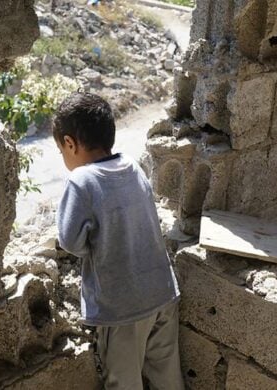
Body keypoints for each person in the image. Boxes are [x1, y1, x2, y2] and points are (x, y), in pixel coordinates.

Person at [52, 92, 184, 390]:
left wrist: (97, 246)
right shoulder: (132, 166)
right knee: (168, 379)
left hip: (123, 307)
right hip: (162, 293)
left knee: (124, 383)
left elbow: (70, 240)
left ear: (70, 143)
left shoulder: (81, 180)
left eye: (62, 150)